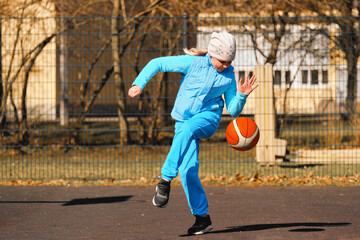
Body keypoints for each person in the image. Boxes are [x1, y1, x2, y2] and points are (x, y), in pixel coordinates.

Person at [128, 31, 258, 235]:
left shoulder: (228, 76)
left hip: (208, 119)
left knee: (188, 130)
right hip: (183, 122)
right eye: (222, 61)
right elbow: (156, 63)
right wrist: (139, 83)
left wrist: (241, 96)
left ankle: (165, 180)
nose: (226, 65)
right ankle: (202, 219)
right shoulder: (192, 63)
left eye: (229, 61)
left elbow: (233, 110)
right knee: (188, 170)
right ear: (212, 54)